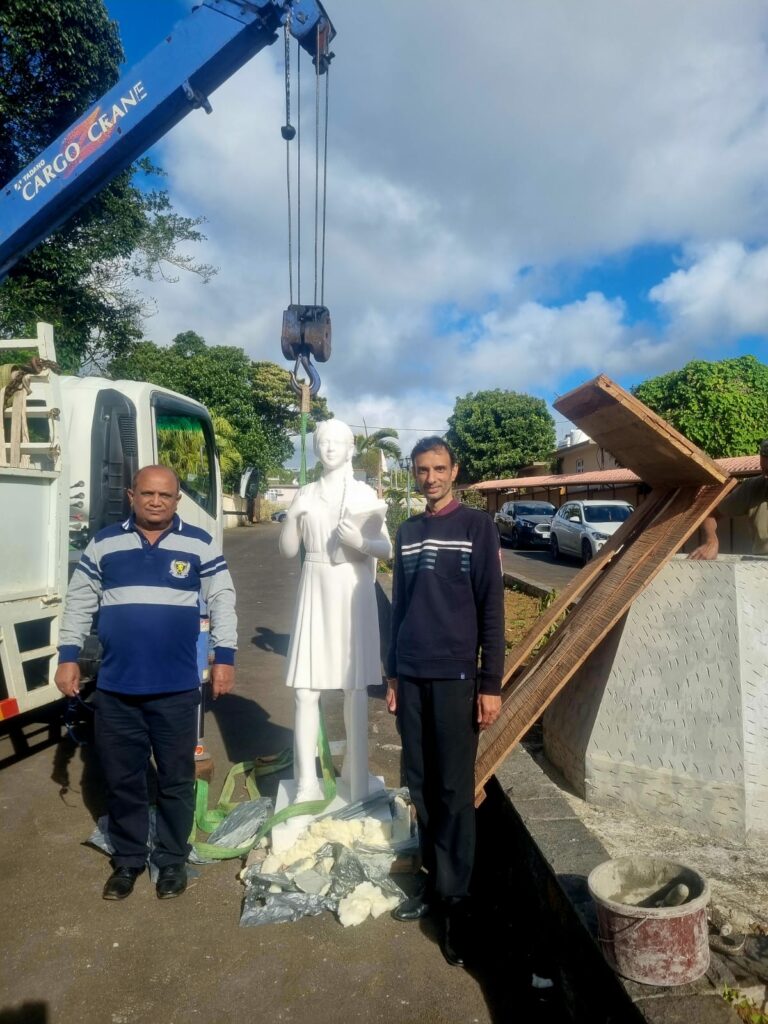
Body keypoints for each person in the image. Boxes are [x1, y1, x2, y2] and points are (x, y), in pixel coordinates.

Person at [54, 465, 237, 900]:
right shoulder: (104, 543)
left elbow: (222, 599)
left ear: (177, 500)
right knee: (123, 780)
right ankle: (129, 860)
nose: (156, 501)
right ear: (131, 495)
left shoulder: (199, 543)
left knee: (176, 780)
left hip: (177, 689)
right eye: (148, 493)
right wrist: (68, 657)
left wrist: (225, 658)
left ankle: (171, 859)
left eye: (165, 495)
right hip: (117, 689)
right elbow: (79, 602)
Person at [385, 436, 505, 967]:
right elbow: (399, 606)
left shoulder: (477, 527)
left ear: (454, 471)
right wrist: (392, 673)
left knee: (455, 791)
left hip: (457, 677)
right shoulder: (407, 532)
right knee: (421, 784)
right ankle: (434, 885)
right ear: (413, 474)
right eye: (421, 470)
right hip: (411, 676)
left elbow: (492, 608)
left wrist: (490, 682)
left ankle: (456, 905)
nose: (430, 478)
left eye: (438, 468)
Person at [279, 419, 392, 804]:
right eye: (323, 441)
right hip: (314, 584)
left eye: (336, 442)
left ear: (349, 449)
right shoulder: (306, 493)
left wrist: (360, 540)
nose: (329, 448)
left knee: (354, 687)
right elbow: (288, 550)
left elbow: (386, 549)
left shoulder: (362, 493)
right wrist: (293, 515)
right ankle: (306, 782)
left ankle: (355, 776)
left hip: (351, 587)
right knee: (305, 690)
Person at [690, 439, 768, 559]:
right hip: (760, 565)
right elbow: (709, 513)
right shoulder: (753, 488)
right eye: (763, 470)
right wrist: (711, 541)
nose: (765, 476)